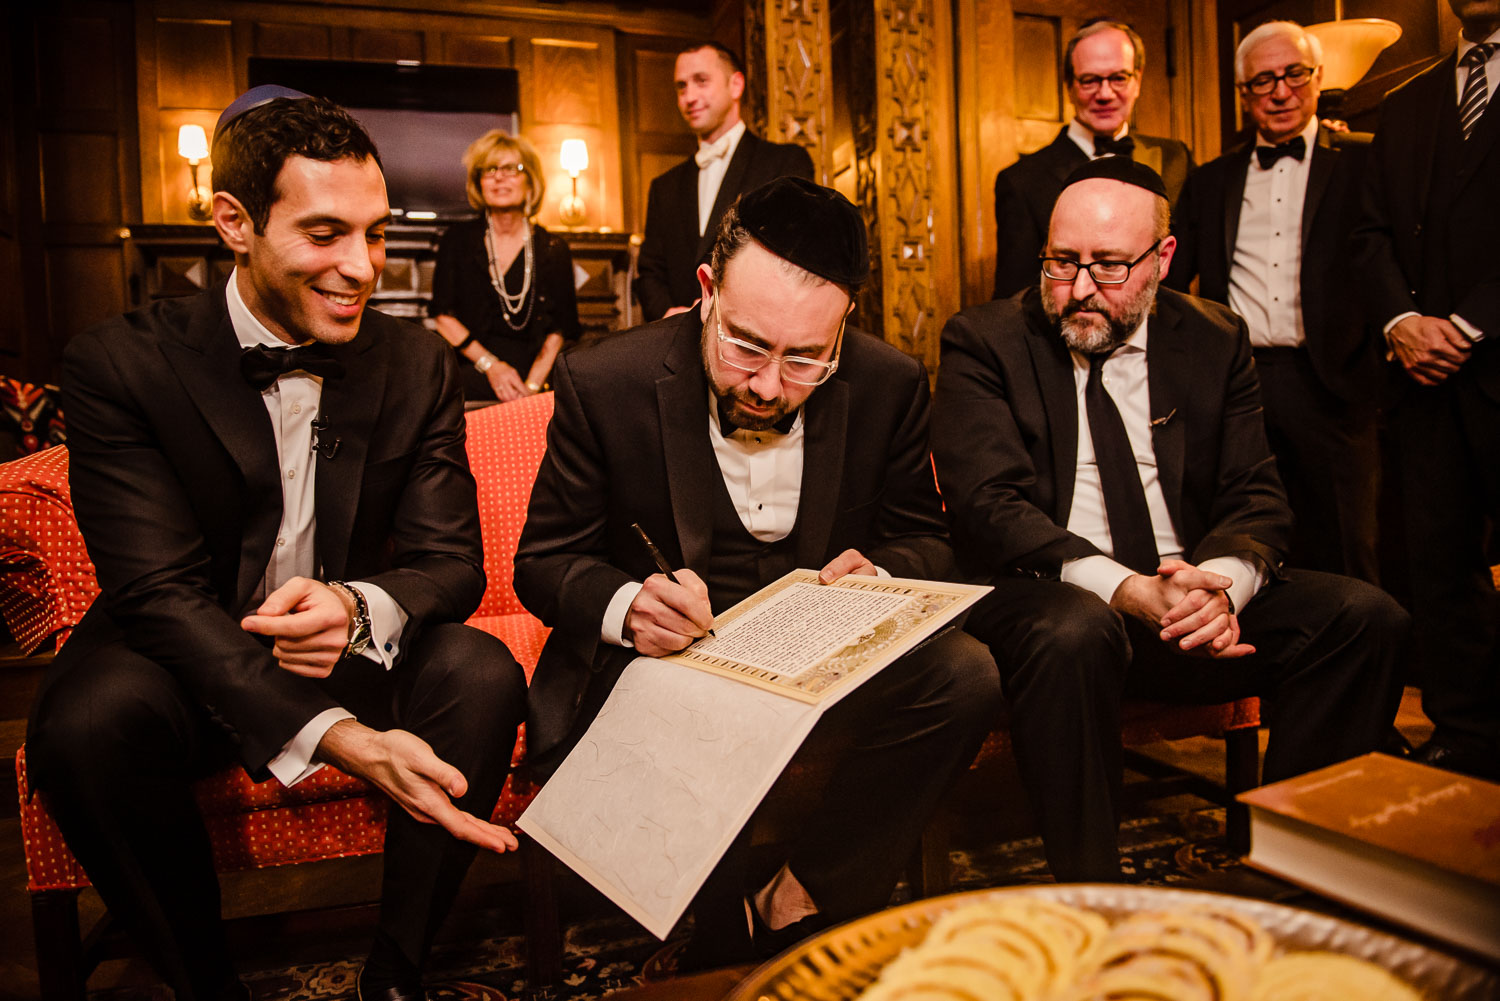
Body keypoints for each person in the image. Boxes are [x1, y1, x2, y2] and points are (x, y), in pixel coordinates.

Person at [26, 87, 526, 1001]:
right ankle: (205, 983)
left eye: (375, 234)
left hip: (346, 650)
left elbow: (451, 562)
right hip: (181, 653)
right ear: (234, 223)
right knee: (85, 725)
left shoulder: (416, 363)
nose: (362, 267)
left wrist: (354, 604)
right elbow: (159, 596)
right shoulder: (119, 363)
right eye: (325, 233)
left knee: (482, 670)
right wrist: (343, 738)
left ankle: (398, 972)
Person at [516, 177, 1000, 969]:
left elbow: (928, 539)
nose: (769, 386)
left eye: (807, 358)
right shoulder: (603, 380)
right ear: (707, 290)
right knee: (686, 708)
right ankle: (719, 931)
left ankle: (802, 895)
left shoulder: (889, 384)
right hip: (665, 662)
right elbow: (543, 562)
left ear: (844, 323)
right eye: (746, 345)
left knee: (966, 673)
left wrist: (878, 571)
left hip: (821, 662)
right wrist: (629, 605)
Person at [934, 156, 1405, 882]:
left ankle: (1286, 870)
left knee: (1363, 618)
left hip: (1185, 589)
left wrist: (1218, 588)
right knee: (1073, 627)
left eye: (1110, 266)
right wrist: (1126, 589)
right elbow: (989, 503)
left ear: (1163, 259)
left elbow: (1257, 493)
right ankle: (1092, 890)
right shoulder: (987, 339)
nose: (1081, 289)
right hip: (1055, 593)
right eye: (1062, 263)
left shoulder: (1215, 336)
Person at [1167, 21, 1379, 582]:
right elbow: (1170, 278)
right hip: (1238, 382)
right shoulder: (1210, 180)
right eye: (1263, 81)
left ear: (1318, 79)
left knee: (1346, 543)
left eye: (1293, 75)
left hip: (1333, 381)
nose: (1280, 92)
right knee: (1245, 538)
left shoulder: (1364, 159)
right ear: (1243, 94)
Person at [1351, 0, 1500, 779]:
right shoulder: (1407, 101)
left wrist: (1472, 325)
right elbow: (1369, 231)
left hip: (1492, 359)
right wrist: (1402, 321)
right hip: (1422, 385)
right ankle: (1467, 734)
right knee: (1441, 568)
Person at [992, 20, 1194, 299]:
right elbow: (1015, 298)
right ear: (1069, 86)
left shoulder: (1176, 160)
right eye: (1090, 80)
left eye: (1119, 78)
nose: (1105, 94)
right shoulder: (1022, 181)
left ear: (1138, 79)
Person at [634, 41, 815, 321]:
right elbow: (649, 271)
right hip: (676, 345)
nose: (689, 96)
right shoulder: (663, 187)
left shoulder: (785, 163)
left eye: (701, 81)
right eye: (681, 87)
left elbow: (794, 259)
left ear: (736, 85)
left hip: (756, 338)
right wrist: (670, 314)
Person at [430, 130, 581, 402]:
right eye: (489, 170)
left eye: (511, 168)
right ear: (479, 183)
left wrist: (532, 389)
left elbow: (561, 330)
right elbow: (442, 317)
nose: (499, 177)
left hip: (537, 374)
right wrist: (491, 366)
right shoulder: (456, 240)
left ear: (530, 181)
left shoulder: (554, 248)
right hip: (474, 368)